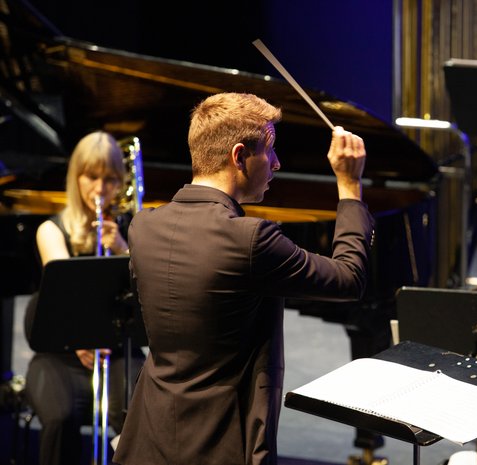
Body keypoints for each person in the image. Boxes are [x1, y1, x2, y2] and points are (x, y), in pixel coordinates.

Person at [112, 92, 374, 465]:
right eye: (270, 150)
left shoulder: (143, 226)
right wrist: (349, 187)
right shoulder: (251, 239)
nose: (277, 163)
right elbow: (349, 278)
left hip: (148, 436)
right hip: (222, 441)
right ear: (239, 156)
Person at [23, 131, 145, 465]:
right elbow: (63, 295)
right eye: (92, 177)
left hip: (119, 350)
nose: (100, 189)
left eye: (110, 179)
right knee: (60, 418)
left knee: (140, 419)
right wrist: (82, 339)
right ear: (76, 177)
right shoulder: (52, 229)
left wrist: (123, 248)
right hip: (60, 354)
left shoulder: (132, 230)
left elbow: (151, 286)